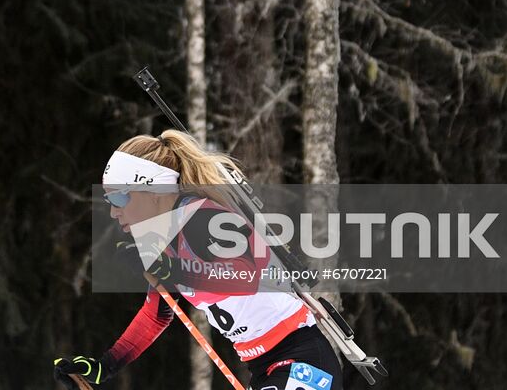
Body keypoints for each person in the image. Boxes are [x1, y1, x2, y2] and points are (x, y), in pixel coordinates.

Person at [53, 130, 343, 390]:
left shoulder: (205, 218)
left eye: (119, 199)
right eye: (109, 202)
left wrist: (174, 270)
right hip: (263, 368)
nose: (114, 212)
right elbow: (157, 314)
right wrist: (108, 364)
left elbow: (244, 276)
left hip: (301, 358)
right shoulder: (166, 240)